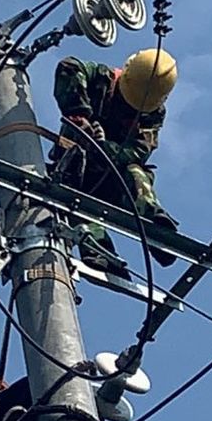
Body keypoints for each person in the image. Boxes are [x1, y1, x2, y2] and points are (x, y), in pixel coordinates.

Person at [51, 47, 180, 274]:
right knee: (76, 199)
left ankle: (155, 225)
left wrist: (105, 147)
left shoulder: (151, 113)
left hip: (115, 176)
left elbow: (140, 149)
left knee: (135, 173)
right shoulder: (101, 78)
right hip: (75, 166)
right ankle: (99, 250)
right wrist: (82, 117)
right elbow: (69, 66)